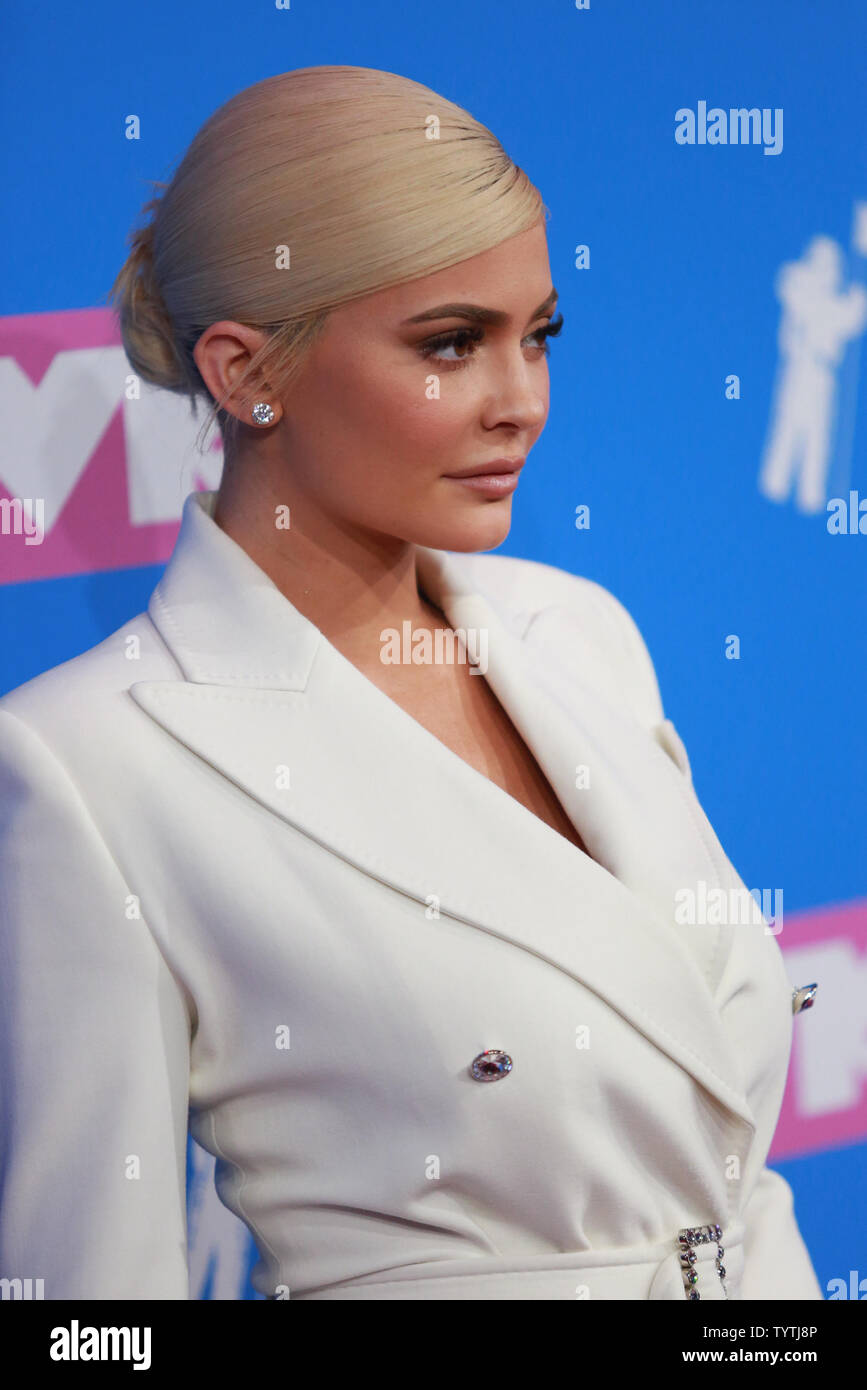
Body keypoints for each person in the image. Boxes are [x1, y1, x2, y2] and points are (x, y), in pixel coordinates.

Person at [0, 65, 822, 1300]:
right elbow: (86, 1311)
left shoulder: (579, 631)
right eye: (452, 344)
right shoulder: (87, 765)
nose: (524, 402)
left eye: (539, 334)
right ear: (243, 373)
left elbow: (725, 1169)